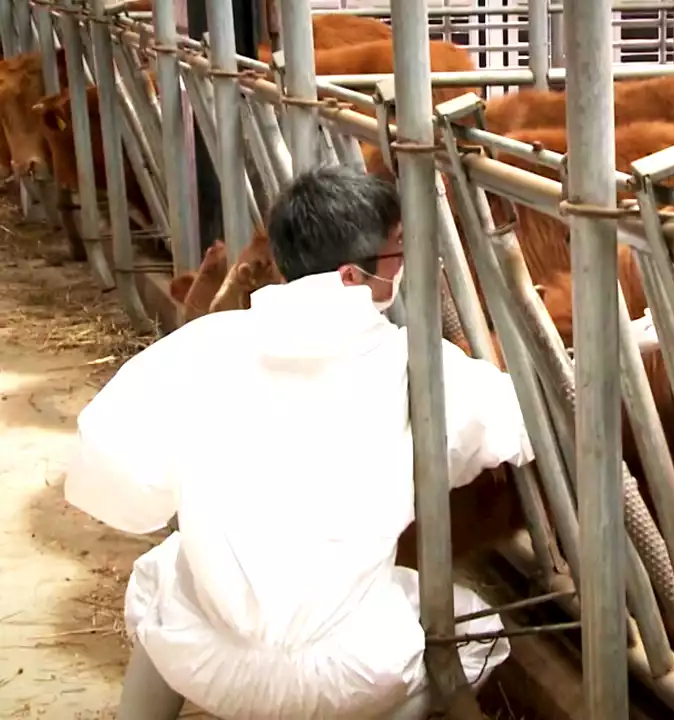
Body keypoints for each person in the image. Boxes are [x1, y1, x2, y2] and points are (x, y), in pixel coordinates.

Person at [64, 166, 534, 719]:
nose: (405, 265)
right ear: (355, 275)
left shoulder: (206, 344)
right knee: (478, 631)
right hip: (349, 678)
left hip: (208, 665)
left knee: (165, 569)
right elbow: (514, 428)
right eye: (399, 249)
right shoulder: (417, 364)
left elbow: (112, 467)